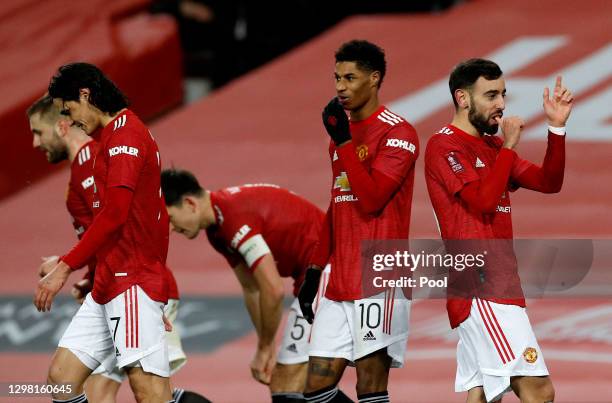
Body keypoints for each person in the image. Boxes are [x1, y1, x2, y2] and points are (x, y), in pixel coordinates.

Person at [28, 95, 210, 403]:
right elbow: (108, 232)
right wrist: (88, 273)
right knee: (68, 381)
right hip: (115, 284)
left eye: (38, 132)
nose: (35, 143)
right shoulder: (83, 169)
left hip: (133, 285)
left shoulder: (89, 163)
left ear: (61, 126)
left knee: (118, 392)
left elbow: (117, 222)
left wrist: (64, 265)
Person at [424, 58, 572, 402]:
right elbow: (482, 201)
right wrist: (508, 147)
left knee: (483, 396)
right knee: (539, 391)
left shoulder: (491, 148)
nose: (501, 105)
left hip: (495, 284)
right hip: (482, 287)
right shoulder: (443, 145)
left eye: (503, 94)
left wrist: (557, 129)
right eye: (491, 95)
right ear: (462, 98)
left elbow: (549, 182)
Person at [297, 40, 419, 403]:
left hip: (380, 273)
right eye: (337, 77)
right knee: (315, 389)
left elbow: (372, 199)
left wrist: (345, 142)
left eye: (350, 77)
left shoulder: (399, 133)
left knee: (370, 388)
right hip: (341, 277)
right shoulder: (340, 138)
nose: (340, 87)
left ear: (374, 78)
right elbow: (339, 203)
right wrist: (315, 271)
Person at [161, 169, 345, 403]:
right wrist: (263, 344)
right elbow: (252, 289)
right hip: (316, 274)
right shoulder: (217, 231)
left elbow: (273, 289)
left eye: (169, 218)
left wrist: (265, 348)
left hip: (330, 268)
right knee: (300, 384)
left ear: (189, 203)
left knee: (288, 381)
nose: (169, 229)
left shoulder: (232, 217)